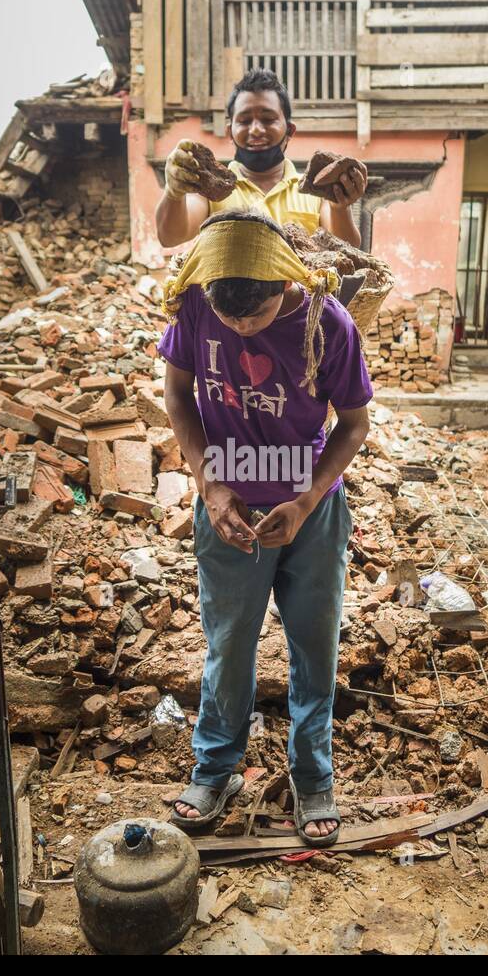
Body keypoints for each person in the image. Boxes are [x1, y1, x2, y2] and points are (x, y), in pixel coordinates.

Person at [156, 209, 373, 846]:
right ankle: (216, 769)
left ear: (285, 281)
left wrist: (305, 503)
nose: (242, 327)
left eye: (255, 315)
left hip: (310, 512)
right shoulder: (195, 306)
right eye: (230, 317)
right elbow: (176, 395)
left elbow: (354, 426)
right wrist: (209, 481)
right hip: (227, 508)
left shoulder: (326, 322)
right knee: (228, 642)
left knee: (314, 645)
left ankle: (313, 780)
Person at [155, 68, 368, 249]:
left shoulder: (314, 191)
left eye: (268, 119)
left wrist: (340, 207)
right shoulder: (211, 190)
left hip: (299, 299)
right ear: (230, 132)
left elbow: (346, 247)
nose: (256, 130)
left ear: (290, 131)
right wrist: (174, 193)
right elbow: (170, 237)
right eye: (245, 121)